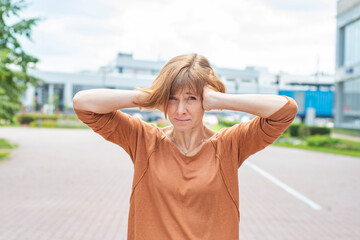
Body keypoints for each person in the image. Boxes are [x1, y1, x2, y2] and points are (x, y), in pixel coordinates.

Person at [73, 53, 298, 240]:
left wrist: (219, 100)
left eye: (191, 98)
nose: (180, 110)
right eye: (172, 98)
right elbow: (83, 104)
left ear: (205, 101)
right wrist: (148, 96)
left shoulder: (229, 145)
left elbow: (285, 110)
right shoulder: (143, 139)